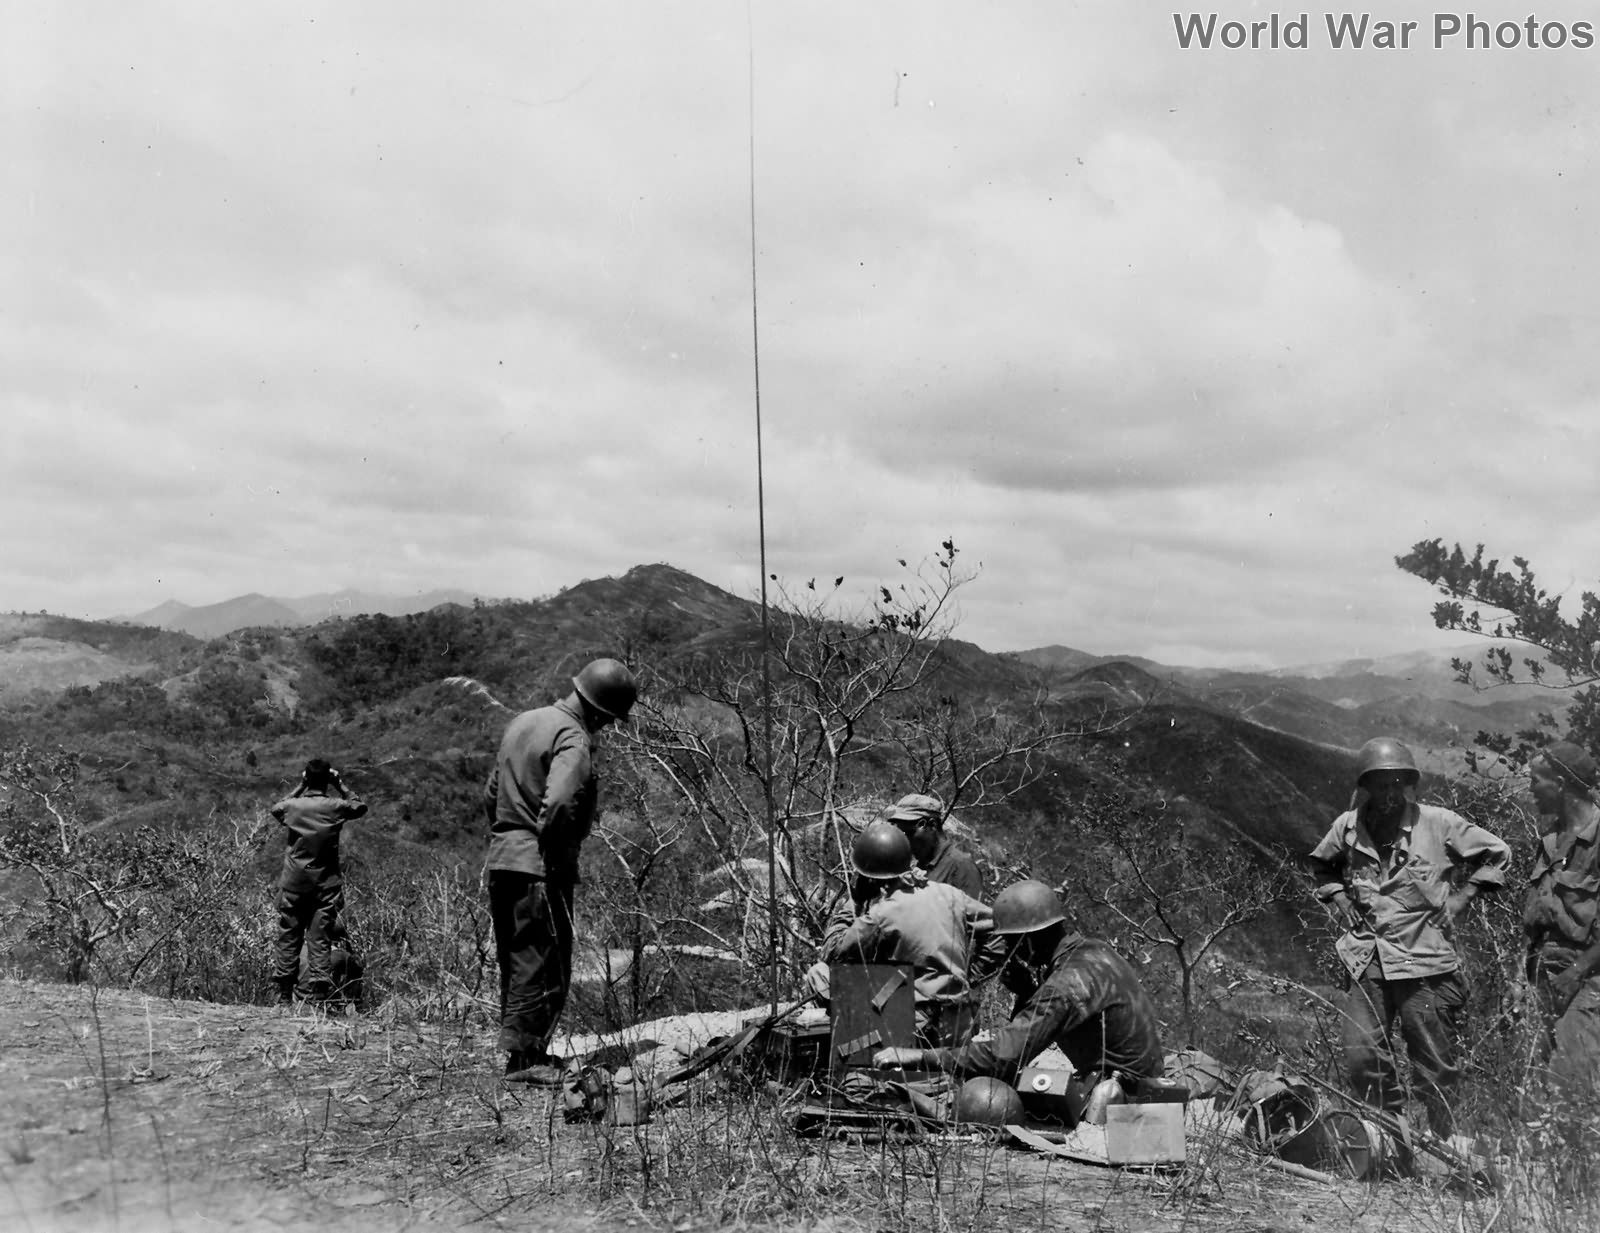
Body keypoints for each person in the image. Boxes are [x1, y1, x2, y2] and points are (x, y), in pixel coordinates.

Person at [1308, 735, 1510, 1139]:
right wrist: (1339, 898)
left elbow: (1497, 852)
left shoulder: (1437, 823)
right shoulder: (1347, 828)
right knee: (1362, 1054)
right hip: (1370, 959)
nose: (1388, 792)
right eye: (1379, 783)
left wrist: (1464, 895)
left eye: (1396, 782)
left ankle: (1446, 1147)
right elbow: (1322, 866)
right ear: (1365, 785)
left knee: (1434, 1066)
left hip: (1425, 961)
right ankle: (1389, 1139)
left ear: (1407, 783)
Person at [484, 657, 637, 1085]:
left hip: (502, 857)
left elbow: (491, 792)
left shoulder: (523, 721)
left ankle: (521, 1051)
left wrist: (507, 837)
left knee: (517, 957)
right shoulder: (574, 736)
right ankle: (526, 1061)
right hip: (540, 865)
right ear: (601, 711)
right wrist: (556, 853)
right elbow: (559, 806)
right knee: (545, 960)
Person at [873, 879, 1165, 1089]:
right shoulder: (1095, 951)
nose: (1011, 951)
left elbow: (1005, 1056)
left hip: (1122, 1100)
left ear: (1027, 939)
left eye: (1012, 942)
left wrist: (920, 1056)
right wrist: (1028, 992)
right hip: (1139, 1087)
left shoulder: (1064, 984)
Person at [808, 822, 995, 1046]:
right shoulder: (950, 894)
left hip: (915, 1028)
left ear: (870, 877)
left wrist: (854, 903)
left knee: (818, 973)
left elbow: (833, 953)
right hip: (961, 1022)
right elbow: (999, 928)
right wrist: (972, 975)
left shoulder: (883, 913)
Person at [1523, 741, 1600, 1093]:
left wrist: (1575, 973)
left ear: (1559, 782)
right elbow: (1539, 915)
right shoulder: (1551, 841)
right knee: (1539, 1088)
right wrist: (1520, 977)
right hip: (1545, 976)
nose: (1531, 790)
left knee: (1571, 1085)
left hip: (1587, 979)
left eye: (1535, 781)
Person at [270, 758, 368, 1005]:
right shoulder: (335, 806)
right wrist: (340, 784)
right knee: (320, 938)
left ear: (306, 778)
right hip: (325, 885)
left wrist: (301, 786)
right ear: (327, 780)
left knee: (289, 936)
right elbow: (360, 806)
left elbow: (276, 807)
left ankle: (284, 997)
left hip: (293, 882)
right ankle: (318, 997)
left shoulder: (294, 807)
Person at [883, 792, 984, 900]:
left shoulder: (961, 866)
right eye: (902, 835)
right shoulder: (920, 866)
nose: (906, 841)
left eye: (909, 833)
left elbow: (974, 913)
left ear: (932, 825)